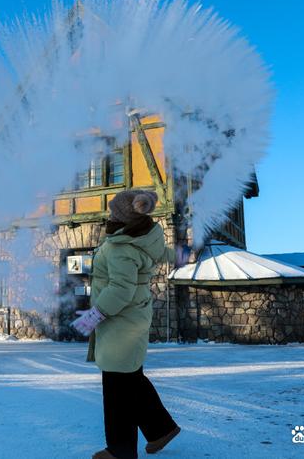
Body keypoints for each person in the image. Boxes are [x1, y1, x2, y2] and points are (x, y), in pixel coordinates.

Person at [71, 189, 182, 459]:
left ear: (122, 215)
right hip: (133, 318)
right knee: (131, 378)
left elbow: (121, 289)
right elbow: (164, 253)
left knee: (117, 386)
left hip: (120, 322)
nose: (110, 214)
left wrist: (94, 316)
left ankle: (120, 450)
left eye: (114, 210)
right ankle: (161, 429)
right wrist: (180, 254)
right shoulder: (143, 237)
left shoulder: (122, 246)